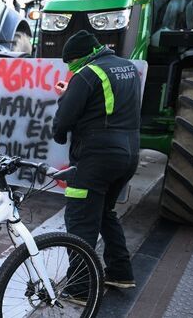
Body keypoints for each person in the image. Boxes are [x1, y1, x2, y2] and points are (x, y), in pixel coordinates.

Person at [53, 30, 141, 305]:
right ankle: (120, 272)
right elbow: (107, 107)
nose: (70, 68)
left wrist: (66, 98)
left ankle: (80, 288)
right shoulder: (126, 67)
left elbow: (62, 122)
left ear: (78, 57)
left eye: (71, 63)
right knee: (104, 213)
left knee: (80, 220)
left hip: (96, 159)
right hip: (128, 155)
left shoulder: (86, 74)